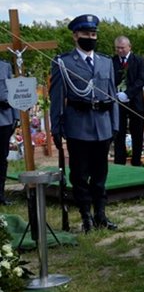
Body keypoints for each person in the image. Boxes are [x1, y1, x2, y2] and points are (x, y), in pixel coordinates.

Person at [49, 14, 119, 232]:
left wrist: (115, 124)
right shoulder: (64, 63)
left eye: (93, 34)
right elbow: (57, 98)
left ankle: (101, 215)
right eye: (86, 34)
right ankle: (85, 216)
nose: (91, 37)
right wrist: (56, 128)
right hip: (78, 126)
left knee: (100, 175)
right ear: (75, 36)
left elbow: (113, 95)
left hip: (102, 126)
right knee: (79, 175)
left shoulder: (106, 62)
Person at [112, 36, 144, 166]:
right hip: (118, 102)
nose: (120, 50)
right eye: (117, 48)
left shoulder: (138, 60)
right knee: (119, 132)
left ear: (129, 47)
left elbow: (141, 80)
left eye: (122, 48)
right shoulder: (113, 61)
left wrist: (127, 94)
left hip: (135, 101)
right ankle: (119, 162)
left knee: (137, 132)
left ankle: (136, 161)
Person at [0, 58, 17, 205]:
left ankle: (1, 195)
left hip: (4, 120)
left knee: (2, 159)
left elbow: (12, 92)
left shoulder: (5, 66)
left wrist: (15, 116)